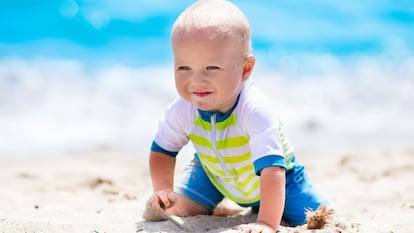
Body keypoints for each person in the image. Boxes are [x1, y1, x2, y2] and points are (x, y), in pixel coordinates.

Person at [143, 0, 329, 232]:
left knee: (319, 216)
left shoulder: (255, 110)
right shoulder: (182, 109)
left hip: (281, 182)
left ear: (245, 69)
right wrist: (162, 189)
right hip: (214, 175)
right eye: (184, 68)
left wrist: (266, 223)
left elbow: (273, 171)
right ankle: (210, 207)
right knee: (173, 210)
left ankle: (261, 212)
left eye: (212, 68)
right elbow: (162, 150)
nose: (196, 80)